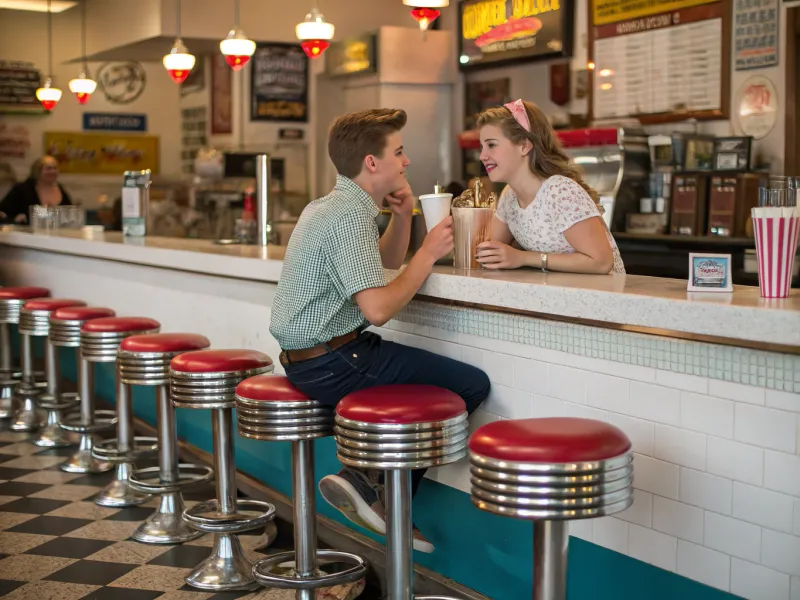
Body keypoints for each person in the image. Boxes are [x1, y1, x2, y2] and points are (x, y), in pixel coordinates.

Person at [269, 108, 491, 553]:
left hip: (313, 360)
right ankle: (367, 482)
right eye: (399, 151)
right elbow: (378, 307)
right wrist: (427, 254)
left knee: (447, 381)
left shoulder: (332, 206)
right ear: (372, 162)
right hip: (335, 362)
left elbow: (378, 270)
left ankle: (370, 486)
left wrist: (405, 217)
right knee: (471, 384)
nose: (406, 161)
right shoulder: (347, 217)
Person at [474, 99, 625, 275]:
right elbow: (489, 251)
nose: (482, 156)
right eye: (482, 147)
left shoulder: (560, 191)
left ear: (524, 146)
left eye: (491, 145)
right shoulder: (510, 196)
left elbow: (601, 262)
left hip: (600, 297)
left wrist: (523, 258)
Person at [0, 155, 72, 224]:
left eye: (55, 168)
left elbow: (70, 213)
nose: (53, 171)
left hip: (57, 234)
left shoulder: (60, 188)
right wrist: (14, 219)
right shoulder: (23, 189)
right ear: (37, 171)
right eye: (49, 168)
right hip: (26, 234)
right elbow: (3, 212)